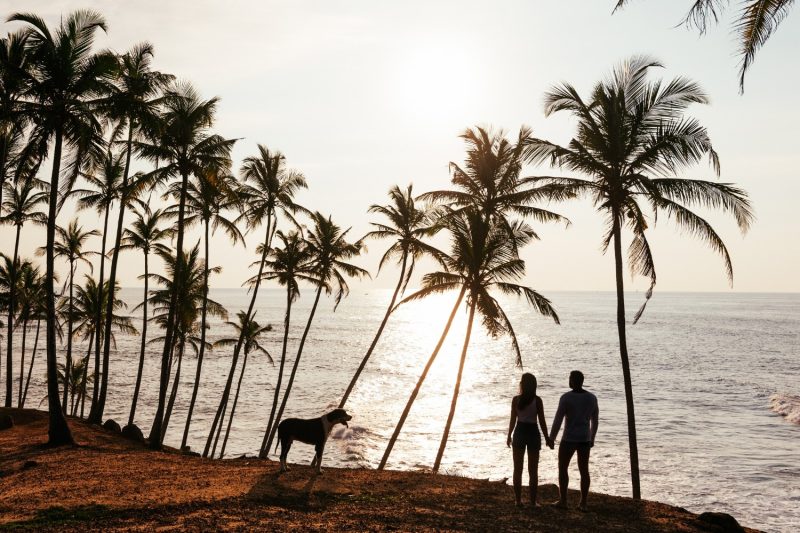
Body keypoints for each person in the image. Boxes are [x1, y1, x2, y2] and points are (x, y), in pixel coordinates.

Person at [548, 370, 599, 511]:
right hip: (584, 438)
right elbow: (595, 421)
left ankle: (563, 500)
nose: (569, 381)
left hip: (569, 438)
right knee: (584, 470)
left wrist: (551, 438)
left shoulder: (566, 398)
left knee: (563, 468)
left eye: (570, 378)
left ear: (573, 381)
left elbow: (558, 419)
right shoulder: (591, 398)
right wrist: (592, 437)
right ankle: (583, 503)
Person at [507, 372, 553, 508]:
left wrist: (509, 435)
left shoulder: (516, 399)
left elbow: (512, 420)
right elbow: (542, 421)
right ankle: (533, 502)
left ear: (522, 384)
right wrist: (547, 438)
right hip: (533, 432)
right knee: (533, 470)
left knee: (518, 469)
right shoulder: (537, 400)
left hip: (520, 431)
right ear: (534, 385)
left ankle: (518, 501)